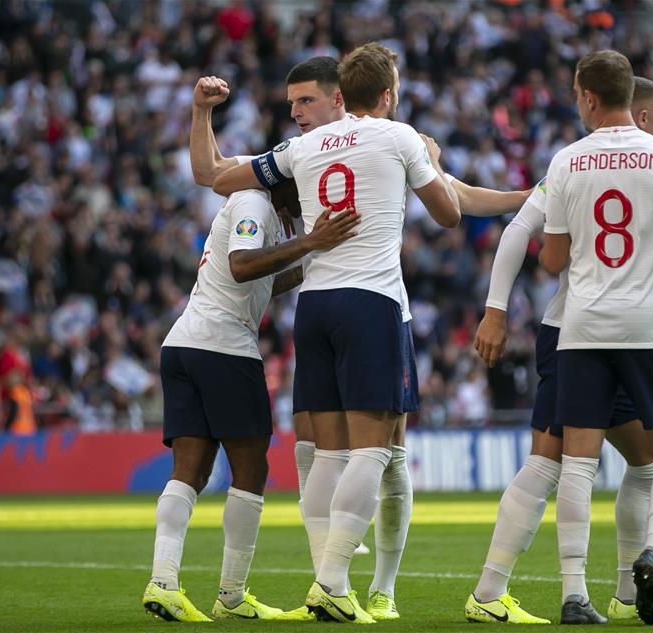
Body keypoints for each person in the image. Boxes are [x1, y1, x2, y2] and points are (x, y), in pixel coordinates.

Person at [195, 57, 526, 621]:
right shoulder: (398, 137)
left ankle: (331, 584)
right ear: (390, 94)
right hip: (372, 304)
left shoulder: (303, 148)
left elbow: (216, 176)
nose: (297, 111)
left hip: (315, 306)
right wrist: (434, 160)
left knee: (328, 454)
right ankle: (333, 582)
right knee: (376, 451)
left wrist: (203, 115)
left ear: (341, 95)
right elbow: (449, 213)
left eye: (304, 101)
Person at [466, 77, 653, 625]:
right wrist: (495, 310)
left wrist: (499, 307)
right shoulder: (613, 162)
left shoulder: (577, 165)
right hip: (578, 335)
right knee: (551, 461)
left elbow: (529, 240)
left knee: (641, 460)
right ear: (636, 113)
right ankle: (491, 591)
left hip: (599, 334)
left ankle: (625, 594)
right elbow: (520, 234)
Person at [141, 100, 360, 620]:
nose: (301, 200)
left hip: (186, 343)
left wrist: (313, 260)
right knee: (251, 469)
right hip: (222, 348)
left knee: (188, 471)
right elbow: (242, 267)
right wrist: (310, 240)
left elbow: (260, 278)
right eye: (298, 188)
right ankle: (231, 596)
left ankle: (163, 582)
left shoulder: (255, 208)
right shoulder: (255, 204)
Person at [539, 51, 653, 626]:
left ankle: (574, 595)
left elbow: (553, 260)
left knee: (578, 462)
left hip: (584, 326)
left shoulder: (566, 161)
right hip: (650, 324)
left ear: (589, 97)